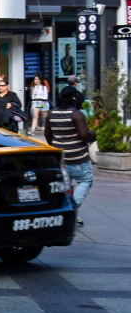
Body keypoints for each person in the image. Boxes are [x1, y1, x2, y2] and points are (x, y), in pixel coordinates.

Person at [45, 84, 95, 226]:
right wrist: (92, 134)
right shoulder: (76, 114)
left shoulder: (51, 114)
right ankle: (72, 207)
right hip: (78, 158)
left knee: (65, 186)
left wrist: (56, 147)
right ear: (74, 98)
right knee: (85, 181)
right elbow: (83, 134)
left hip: (61, 158)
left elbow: (48, 134)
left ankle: (67, 212)